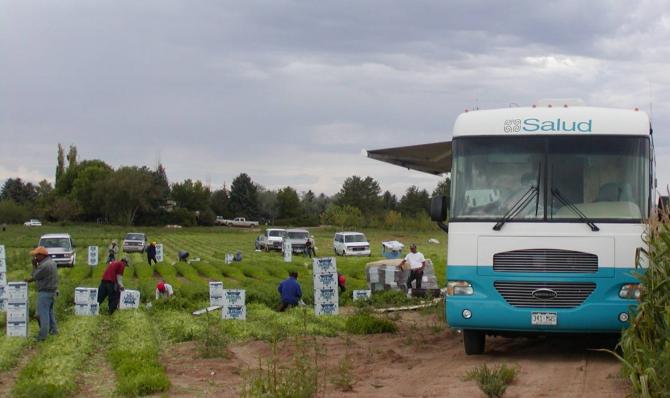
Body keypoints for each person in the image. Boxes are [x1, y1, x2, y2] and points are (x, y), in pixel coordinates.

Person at [25, 246, 59, 341]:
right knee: (49, 313)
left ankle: (42, 336)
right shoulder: (52, 263)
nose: (35, 257)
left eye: (36, 255)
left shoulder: (44, 265)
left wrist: (34, 266)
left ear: (42, 255)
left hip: (45, 292)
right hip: (52, 291)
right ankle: (54, 331)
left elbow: (35, 276)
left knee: (42, 315)